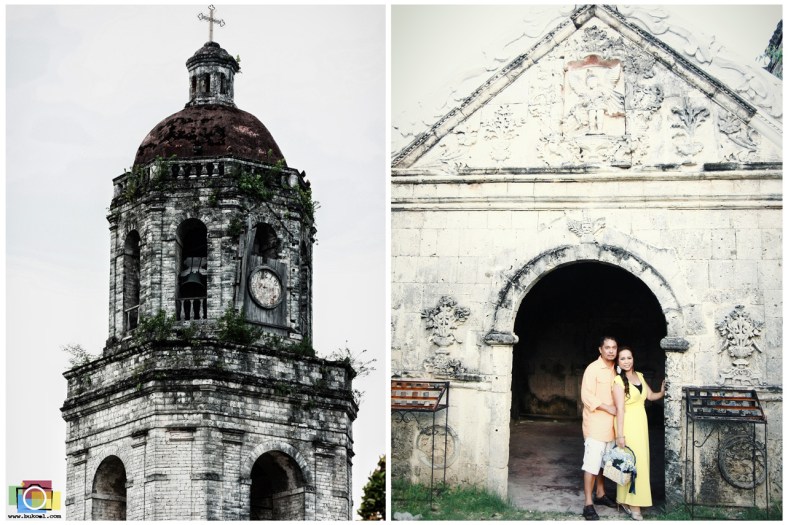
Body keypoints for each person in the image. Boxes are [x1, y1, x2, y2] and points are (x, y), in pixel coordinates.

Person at [612, 347, 665, 521]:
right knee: (632, 465)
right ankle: (633, 505)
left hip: (641, 426)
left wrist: (662, 392)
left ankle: (626, 501)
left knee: (641, 463)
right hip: (627, 426)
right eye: (622, 359)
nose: (626, 361)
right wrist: (620, 434)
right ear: (618, 362)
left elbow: (650, 396)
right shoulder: (618, 382)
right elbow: (620, 409)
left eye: (629, 357)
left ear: (633, 358)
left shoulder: (640, 376)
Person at [580, 335, 619, 520]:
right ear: (600, 350)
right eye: (607, 347)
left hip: (611, 427)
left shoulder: (616, 370)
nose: (611, 350)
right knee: (591, 465)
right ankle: (588, 504)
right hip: (595, 424)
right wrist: (608, 407)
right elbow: (586, 396)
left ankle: (601, 494)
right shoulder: (593, 369)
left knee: (604, 464)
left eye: (614, 347)